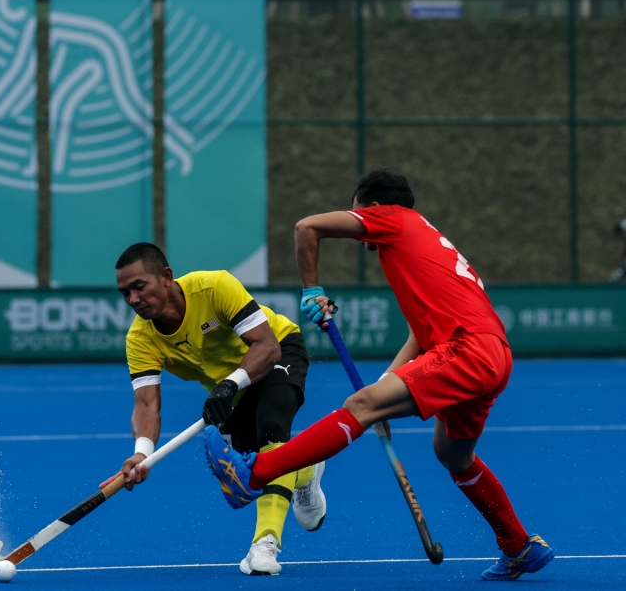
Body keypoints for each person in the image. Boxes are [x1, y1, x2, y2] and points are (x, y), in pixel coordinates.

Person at [205, 169, 554, 582]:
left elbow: (307, 227)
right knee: (452, 454)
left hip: (468, 350)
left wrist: (311, 290)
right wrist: (385, 389)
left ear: (372, 207)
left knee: (359, 407)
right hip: (490, 354)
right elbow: (419, 337)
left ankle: (253, 474)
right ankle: (518, 546)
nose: (361, 233)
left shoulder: (392, 218)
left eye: (356, 212)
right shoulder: (423, 242)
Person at [103, 242, 324, 576]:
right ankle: (306, 466)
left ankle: (265, 544)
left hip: (277, 352)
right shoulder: (140, 338)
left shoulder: (214, 287)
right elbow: (146, 405)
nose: (132, 299)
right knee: (254, 471)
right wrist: (141, 453)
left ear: (165, 277)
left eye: (139, 287)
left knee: (272, 429)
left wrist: (231, 383)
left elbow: (266, 345)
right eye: (124, 293)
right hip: (231, 393)